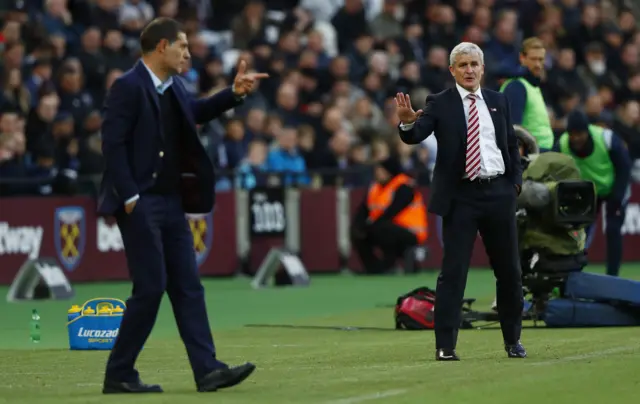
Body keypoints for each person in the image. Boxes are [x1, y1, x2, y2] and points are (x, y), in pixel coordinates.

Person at [97, 18, 268, 394]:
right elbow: (113, 145)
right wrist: (129, 199)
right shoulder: (127, 87)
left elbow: (195, 111)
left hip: (171, 201)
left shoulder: (173, 86)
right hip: (140, 202)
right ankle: (120, 372)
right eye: (183, 46)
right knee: (151, 286)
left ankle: (207, 370)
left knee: (188, 286)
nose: (188, 53)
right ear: (161, 47)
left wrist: (233, 94)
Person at [395, 42, 526, 361]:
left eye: (474, 64)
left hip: (498, 193)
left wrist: (515, 185)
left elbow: (510, 144)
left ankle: (513, 341)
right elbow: (416, 135)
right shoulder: (439, 102)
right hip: (461, 196)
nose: (469, 70)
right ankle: (445, 346)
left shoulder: (498, 101)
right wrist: (408, 122)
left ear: (482, 69)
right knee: (453, 273)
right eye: (463, 64)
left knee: (509, 271)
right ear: (452, 70)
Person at [555, 110, 632, 277]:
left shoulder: (607, 138)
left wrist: (617, 197)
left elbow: (624, 167)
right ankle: (573, 272)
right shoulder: (562, 144)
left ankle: (613, 276)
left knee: (612, 228)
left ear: (587, 131)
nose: (575, 138)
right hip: (588, 191)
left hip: (614, 187)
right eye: (572, 134)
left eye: (579, 134)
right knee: (580, 233)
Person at [350, 157, 428, 274]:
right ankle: (373, 268)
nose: (377, 173)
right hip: (386, 227)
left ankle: (388, 265)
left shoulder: (404, 186)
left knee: (382, 229)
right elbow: (362, 211)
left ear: (389, 171)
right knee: (358, 232)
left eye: (381, 170)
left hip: (411, 232)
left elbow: (392, 211)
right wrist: (358, 227)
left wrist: (370, 226)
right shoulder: (374, 188)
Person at [499, 37, 555, 152]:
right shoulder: (517, 86)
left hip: (542, 152)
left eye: (541, 59)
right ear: (522, 58)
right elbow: (513, 128)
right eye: (533, 59)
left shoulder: (533, 86)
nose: (538, 64)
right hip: (531, 154)